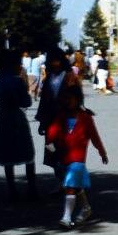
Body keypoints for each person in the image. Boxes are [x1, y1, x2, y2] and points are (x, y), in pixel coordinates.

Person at [46, 83, 108, 227]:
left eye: (71, 98)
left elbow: (95, 137)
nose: (69, 101)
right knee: (76, 185)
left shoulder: (85, 118)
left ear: (78, 99)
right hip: (64, 157)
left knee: (70, 187)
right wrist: (50, 145)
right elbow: (52, 133)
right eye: (66, 99)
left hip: (78, 158)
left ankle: (66, 218)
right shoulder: (61, 116)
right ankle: (86, 208)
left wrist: (102, 152)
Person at [0, 50, 38, 202]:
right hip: (16, 117)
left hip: (3, 117)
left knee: (7, 152)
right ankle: (32, 188)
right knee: (27, 152)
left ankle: (12, 189)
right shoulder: (17, 81)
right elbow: (26, 102)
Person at [35, 48, 82, 183]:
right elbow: (44, 100)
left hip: (67, 120)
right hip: (51, 121)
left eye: (57, 60)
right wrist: (41, 122)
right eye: (52, 61)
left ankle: (70, 182)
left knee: (67, 151)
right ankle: (61, 181)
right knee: (52, 151)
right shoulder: (49, 77)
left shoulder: (69, 76)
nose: (55, 63)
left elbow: (77, 97)